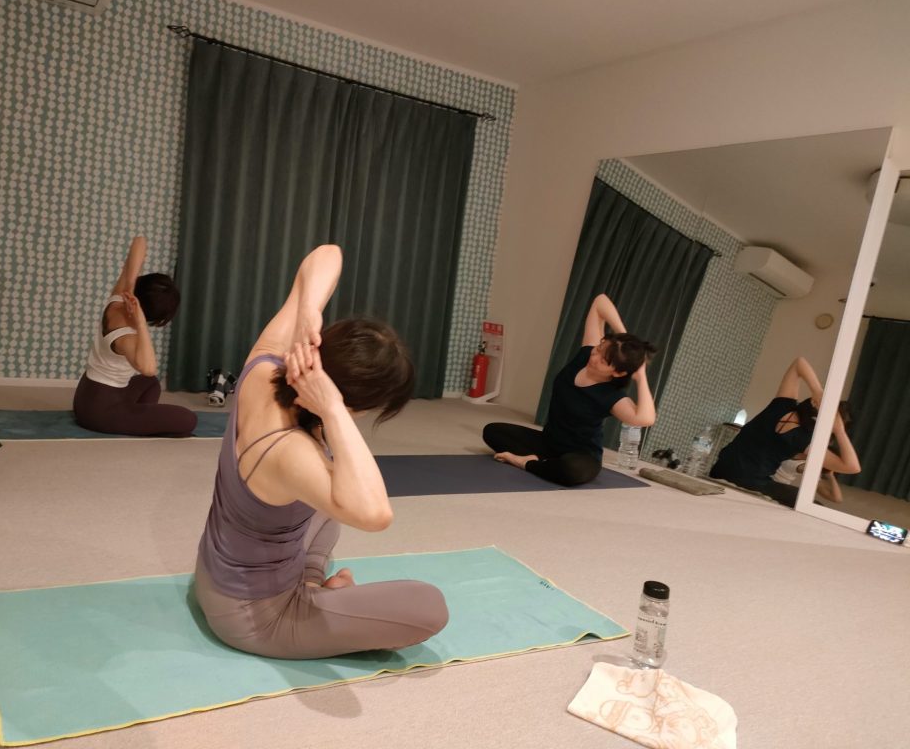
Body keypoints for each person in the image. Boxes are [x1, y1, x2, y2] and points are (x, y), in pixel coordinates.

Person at [194, 244, 448, 660]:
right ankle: (313, 592)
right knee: (428, 606)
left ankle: (312, 583)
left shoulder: (263, 367)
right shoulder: (293, 451)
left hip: (213, 573)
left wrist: (308, 311)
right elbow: (375, 514)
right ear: (357, 404)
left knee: (330, 506)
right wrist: (332, 409)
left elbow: (327, 253)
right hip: (254, 616)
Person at [482, 294, 657, 486]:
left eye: (603, 360)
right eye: (599, 348)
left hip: (581, 455)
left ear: (618, 372)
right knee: (492, 431)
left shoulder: (612, 396)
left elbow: (645, 419)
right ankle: (545, 463)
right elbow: (600, 301)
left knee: (571, 471)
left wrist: (641, 375)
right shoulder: (585, 355)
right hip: (548, 442)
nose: (594, 356)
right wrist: (625, 341)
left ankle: (526, 463)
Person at [72, 236, 197, 437]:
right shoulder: (127, 337)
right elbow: (149, 368)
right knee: (188, 420)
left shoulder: (117, 300)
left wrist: (130, 286)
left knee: (151, 383)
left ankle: (136, 419)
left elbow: (140, 241)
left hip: (86, 396)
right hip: (100, 412)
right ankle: (131, 420)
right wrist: (140, 322)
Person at [709, 358, 860, 507]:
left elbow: (799, 363)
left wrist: (818, 391)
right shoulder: (803, 439)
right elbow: (852, 467)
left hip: (720, 469)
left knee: (800, 499)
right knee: (813, 505)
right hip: (750, 483)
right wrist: (840, 431)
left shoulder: (782, 405)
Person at [769, 402, 854, 504]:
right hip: (769, 485)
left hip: (774, 488)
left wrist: (829, 473)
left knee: (814, 503)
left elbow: (836, 498)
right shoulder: (801, 439)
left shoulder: (807, 464)